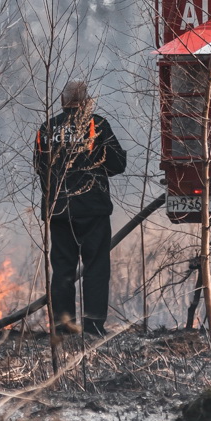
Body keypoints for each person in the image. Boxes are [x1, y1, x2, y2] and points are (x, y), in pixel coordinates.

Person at [35, 81, 127, 336]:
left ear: (63, 101)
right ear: (86, 101)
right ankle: (94, 326)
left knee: (63, 269)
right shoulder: (97, 125)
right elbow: (118, 164)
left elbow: (40, 167)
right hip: (92, 209)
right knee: (96, 268)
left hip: (58, 210)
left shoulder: (47, 128)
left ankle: (63, 327)